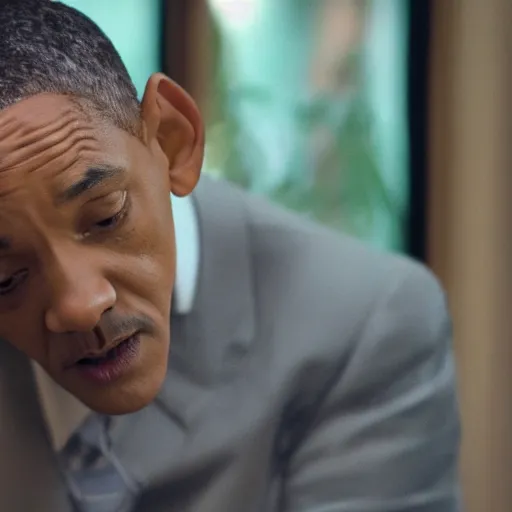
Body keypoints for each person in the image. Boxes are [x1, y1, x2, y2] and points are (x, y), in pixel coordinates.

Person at [0, 1, 460, 511]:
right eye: (6, 278)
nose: (80, 305)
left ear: (173, 140)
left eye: (107, 216)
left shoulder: (370, 325)